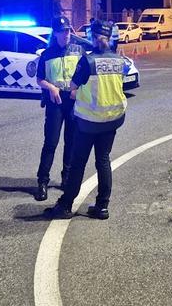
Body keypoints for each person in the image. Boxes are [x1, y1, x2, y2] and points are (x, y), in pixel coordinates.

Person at [44, 20, 128, 220]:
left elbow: (72, 86)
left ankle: (66, 205)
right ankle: (102, 206)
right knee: (103, 160)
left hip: (89, 122)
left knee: (78, 162)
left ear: (91, 37)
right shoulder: (119, 60)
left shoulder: (87, 61)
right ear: (110, 38)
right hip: (113, 119)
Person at [33, 16, 84, 201]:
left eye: (68, 30)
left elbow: (84, 75)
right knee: (51, 143)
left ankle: (66, 179)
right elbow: (39, 79)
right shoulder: (47, 54)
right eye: (62, 31)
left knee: (71, 142)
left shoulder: (78, 51)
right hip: (55, 102)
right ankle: (42, 182)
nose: (66, 34)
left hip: (72, 102)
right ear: (55, 33)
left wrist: (77, 89)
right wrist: (51, 87)